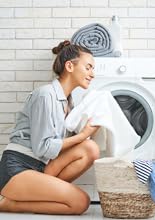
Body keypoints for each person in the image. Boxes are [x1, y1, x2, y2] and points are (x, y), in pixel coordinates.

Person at [0, 40, 100, 214]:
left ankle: (37, 192)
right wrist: (83, 135)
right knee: (81, 202)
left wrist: (88, 132)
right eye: (88, 67)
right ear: (69, 66)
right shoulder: (45, 95)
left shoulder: (69, 103)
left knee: (90, 148)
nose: (92, 74)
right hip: (18, 168)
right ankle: (6, 203)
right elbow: (43, 147)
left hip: (42, 166)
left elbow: (68, 146)